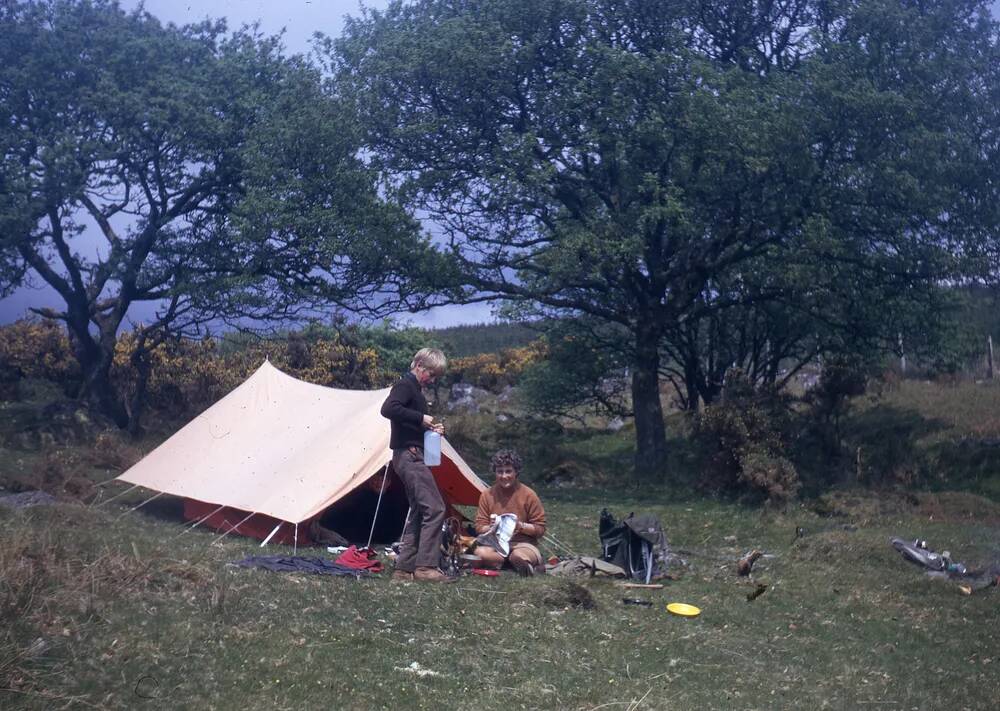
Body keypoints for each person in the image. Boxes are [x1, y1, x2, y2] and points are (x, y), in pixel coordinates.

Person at [380, 348, 452, 583]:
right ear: (419, 365)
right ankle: (426, 567)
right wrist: (421, 418)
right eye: (431, 374)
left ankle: (404, 569)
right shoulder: (405, 385)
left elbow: (405, 422)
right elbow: (388, 409)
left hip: (408, 454)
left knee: (419, 510)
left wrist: (429, 429)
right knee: (435, 508)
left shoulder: (414, 389)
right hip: (410, 456)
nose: (432, 380)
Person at [473, 449, 547, 575]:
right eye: (499, 472)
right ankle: (512, 564)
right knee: (479, 553)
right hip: (496, 545)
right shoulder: (487, 494)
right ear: (495, 473)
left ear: (516, 472)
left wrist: (520, 526)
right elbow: (479, 527)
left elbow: (540, 529)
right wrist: (492, 527)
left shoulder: (528, 494)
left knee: (518, 555)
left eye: (508, 471)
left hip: (523, 544)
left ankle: (518, 562)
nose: (504, 476)